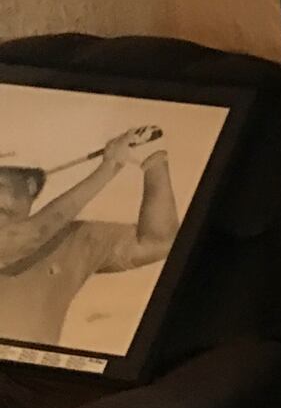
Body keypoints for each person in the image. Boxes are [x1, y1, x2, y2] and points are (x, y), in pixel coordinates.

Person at [0, 128, 178, 346]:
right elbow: (32, 235)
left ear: (30, 185)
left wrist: (154, 160)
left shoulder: (75, 238)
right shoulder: (28, 237)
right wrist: (110, 166)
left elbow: (158, 242)